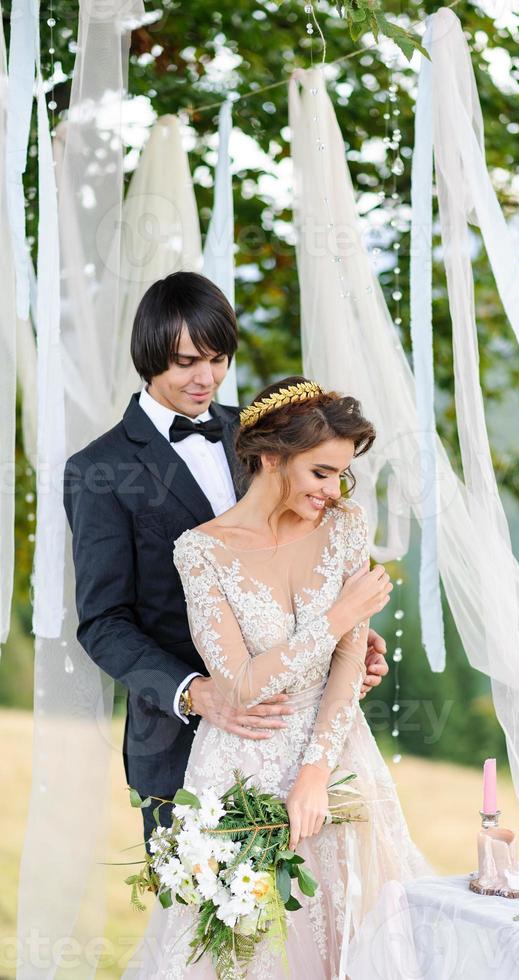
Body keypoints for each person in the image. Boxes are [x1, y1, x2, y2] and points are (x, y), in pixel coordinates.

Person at [63, 271, 389, 843]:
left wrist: (347, 639)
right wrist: (194, 690)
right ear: (149, 355)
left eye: (217, 359)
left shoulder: (270, 434)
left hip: (302, 732)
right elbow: (104, 622)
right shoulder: (99, 469)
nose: (205, 377)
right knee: (211, 927)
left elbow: (304, 563)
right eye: (188, 361)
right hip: (179, 743)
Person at [123, 377, 430, 978]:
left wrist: (316, 773)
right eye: (320, 473)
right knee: (244, 947)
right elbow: (238, 683)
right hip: (242, 762)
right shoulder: (201, 552)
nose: (333, 490)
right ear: (270, 456)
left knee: (356, 937)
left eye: (342, 474)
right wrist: (339, 616)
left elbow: (348, 660)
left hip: (337, 755)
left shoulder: (344, 525)